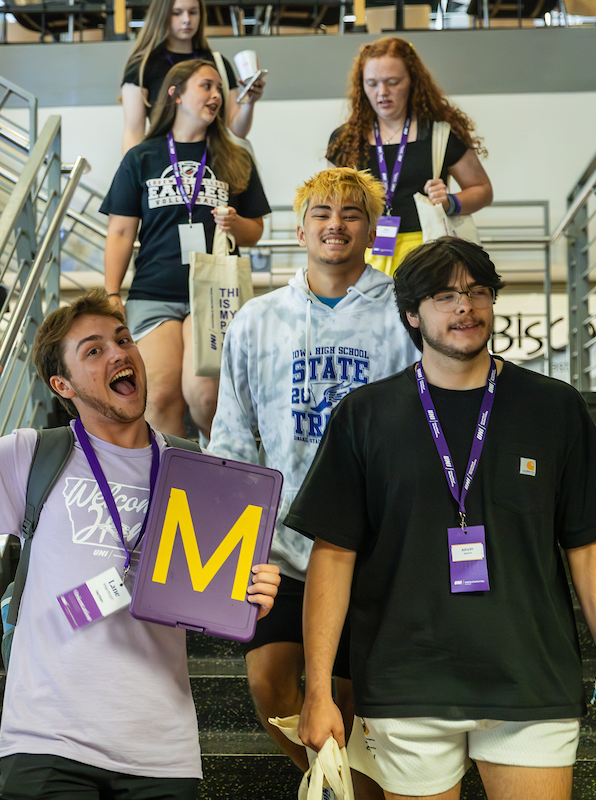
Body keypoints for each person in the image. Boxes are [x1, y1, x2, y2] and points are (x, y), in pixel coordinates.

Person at [0, 288, 281, 800]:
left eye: (123, 339)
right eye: (94, 350)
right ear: (60, 383)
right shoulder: (30, 455)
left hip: (162, 749)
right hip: (48, 742)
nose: (119, 353)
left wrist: (251, 593)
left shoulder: (193, 470)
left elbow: (216, 592)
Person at [291, 238, 596, 800]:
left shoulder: (553, 407)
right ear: (412, 313)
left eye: (478, 291)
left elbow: (586, 545)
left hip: (530, 678)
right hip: (408, 682)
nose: (465, 306)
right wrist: (318, 691)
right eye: (444, 294)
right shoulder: (364, 415)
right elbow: (333, 555)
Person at [210, 167, 416, 795]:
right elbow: (232, 435)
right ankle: (338, 790)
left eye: (351, 213)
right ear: (299, 230)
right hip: (279, 548)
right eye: (322, 213)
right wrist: (229, 544)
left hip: (369, 550)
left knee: (349, 707)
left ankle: (349, 792)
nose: (335, 224)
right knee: (269, 688)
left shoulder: (403, 316)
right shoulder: (256, 320)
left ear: (373, 228)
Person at [102, 59, 271, 440]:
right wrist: (112, 293)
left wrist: (234, 224)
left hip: (214, 292)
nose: (215, 96)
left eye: (218, 89)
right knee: (159, 398)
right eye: (205, 86)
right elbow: (121, 232)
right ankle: (171, 489)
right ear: (176, 93)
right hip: (153, 292)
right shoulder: (142, 157)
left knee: (206, 396)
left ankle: (222, 475)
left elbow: (255, 230)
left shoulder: (236, 156)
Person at [326, 37, 492, 277]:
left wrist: (450, 202)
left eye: (392, 82)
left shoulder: (441, 133)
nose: (382, 92)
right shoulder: (344, 139)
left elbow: (482, 190)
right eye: (371, 83)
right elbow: (329, 204)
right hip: (366, 251)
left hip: (429, 251)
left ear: (413, 81)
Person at [120, 0, 264, 154]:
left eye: (193, 12)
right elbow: (133, 132)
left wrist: (249, 103)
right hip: (164, 165)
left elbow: (237, 131)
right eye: (177, 13)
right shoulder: (142, 67)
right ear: (162, 15)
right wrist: (131, 173)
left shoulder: (218, 63)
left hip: (216, 163)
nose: (187, 19)